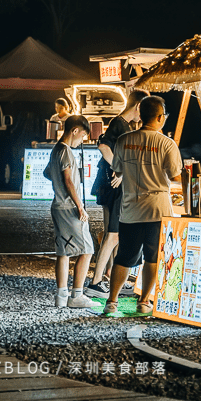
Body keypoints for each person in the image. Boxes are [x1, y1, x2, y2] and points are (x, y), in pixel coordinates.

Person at [103, 96, 182, 317]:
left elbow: (117, 170)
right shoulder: (167, 143)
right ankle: (144, 301)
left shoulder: (123, 141)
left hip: (130, 208)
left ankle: (112, 301)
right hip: (157, 208)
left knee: (124, 256)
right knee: (153, 257)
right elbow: (175, 175)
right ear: (160, 117)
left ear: (141, 115)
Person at [86, 89, 147, 299]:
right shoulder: (119, 123)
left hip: (109, 186)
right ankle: (95, 282)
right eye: (144, 109)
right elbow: (103, 146)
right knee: (113, 235)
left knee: (112, 235)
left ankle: (109, 278)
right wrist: (121, 168)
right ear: (138, 106)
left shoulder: (123, 125)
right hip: (114, 187)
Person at [47, 114, 94, 309]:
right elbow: (68, 180)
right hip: (69, 207)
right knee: (87, 249)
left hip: (57, 205)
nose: (81, 140)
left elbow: (48, 173)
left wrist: (59, 183)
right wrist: (80, 206)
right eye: (82, 136)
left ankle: (61, 296)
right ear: (75, 131)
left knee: (63, 251)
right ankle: (77, 294)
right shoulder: (66, 151)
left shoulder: (56, 149)